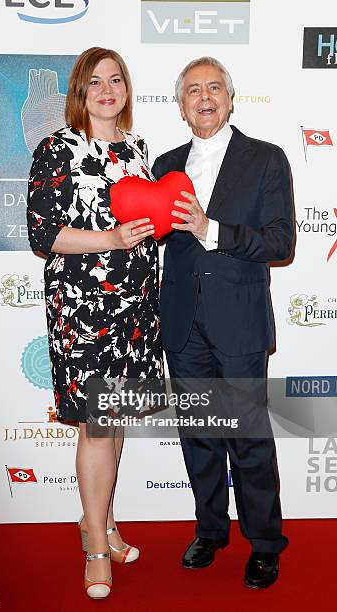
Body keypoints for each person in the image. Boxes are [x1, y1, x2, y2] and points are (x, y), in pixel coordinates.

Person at [152, 56, 294, 589]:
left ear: (231, 99)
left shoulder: (265, 159)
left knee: (249, 436)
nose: (205, 97)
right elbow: (155, 239)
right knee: (199, 435)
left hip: (239, 324)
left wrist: (213, 229)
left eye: (215, 88)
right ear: (181, 105)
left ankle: (263, 542)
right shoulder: (163, 164)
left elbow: (281, 243)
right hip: (183, 324)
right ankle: (210, 529)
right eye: (193, 90)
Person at [27, 47, 163, 599]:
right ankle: (94, 550)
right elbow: (44, 236)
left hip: (136, 309)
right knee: (97, 426)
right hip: (84, 309)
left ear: (126, 89)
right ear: (79, 92)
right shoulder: (59, 148)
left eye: (116, 80)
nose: (107, 90)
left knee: (118, 420)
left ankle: (104, 523)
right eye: (95, 82)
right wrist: (110, 240)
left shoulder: (138, 150)